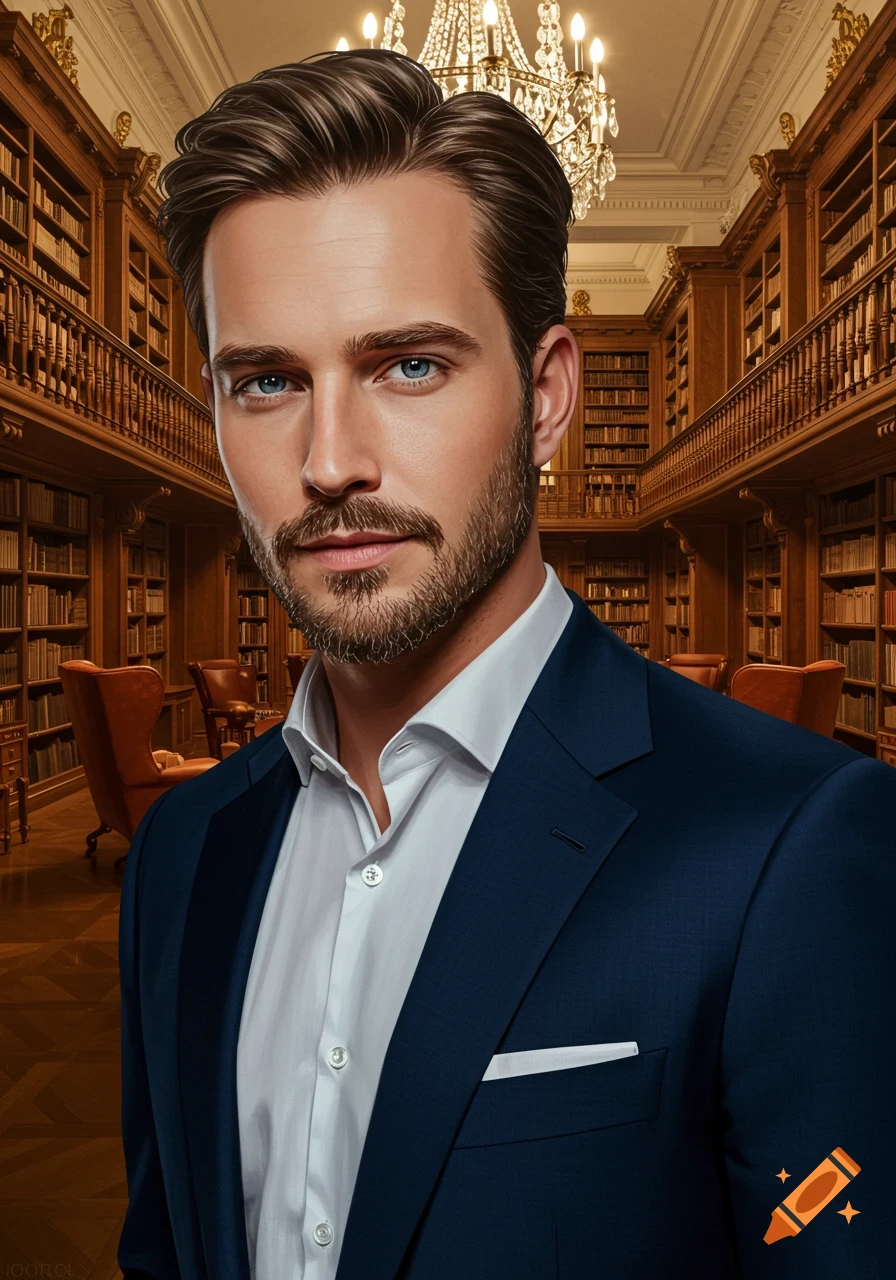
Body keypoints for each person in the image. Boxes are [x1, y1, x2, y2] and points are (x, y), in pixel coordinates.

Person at [117, 48, 896, 1280]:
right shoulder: (182, 849)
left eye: (407, 364)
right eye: (265, 380)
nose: (330, 461)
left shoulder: (786, 843)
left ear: (544, 399)